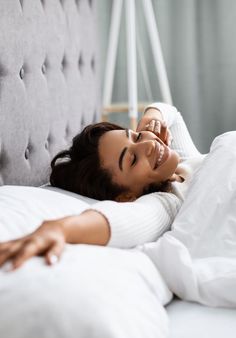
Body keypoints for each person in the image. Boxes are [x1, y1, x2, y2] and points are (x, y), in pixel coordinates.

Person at [0, 103, 204, 271]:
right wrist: (59, 228)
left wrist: (151, 120)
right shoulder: (168, 202)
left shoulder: (184, 163)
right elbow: (124, 220)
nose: (149, 145)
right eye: (132, 159)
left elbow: (172, 114)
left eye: (136, 136)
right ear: (126, 196)